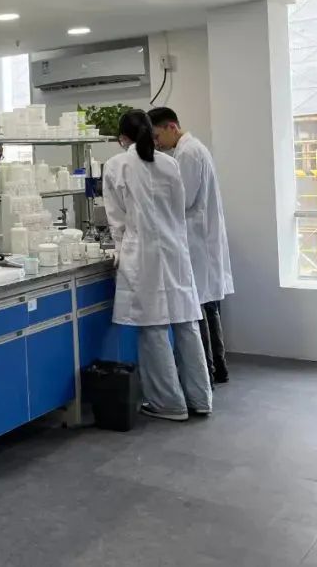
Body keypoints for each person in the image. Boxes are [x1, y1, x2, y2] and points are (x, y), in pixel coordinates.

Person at [103, 109, 212, 421]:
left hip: (143, 254)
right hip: (174, 250)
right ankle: (200, 398)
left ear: (122, 138)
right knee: (186, 324)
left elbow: (117, 219)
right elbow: (179, 210)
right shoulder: (169, 163)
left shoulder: (117, 165)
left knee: (153, 329)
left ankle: (168, 403)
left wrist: (119, 247)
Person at [149, 107, 234, 384]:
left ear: (172, 127)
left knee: (200, 309)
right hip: (202, 239)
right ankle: (218, 367)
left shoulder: (187, 153)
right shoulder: (192, 149)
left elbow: (183, 200)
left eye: (157, 135)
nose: (156, 143)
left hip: (197, 240)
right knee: (209, 306)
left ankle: (207, 371)